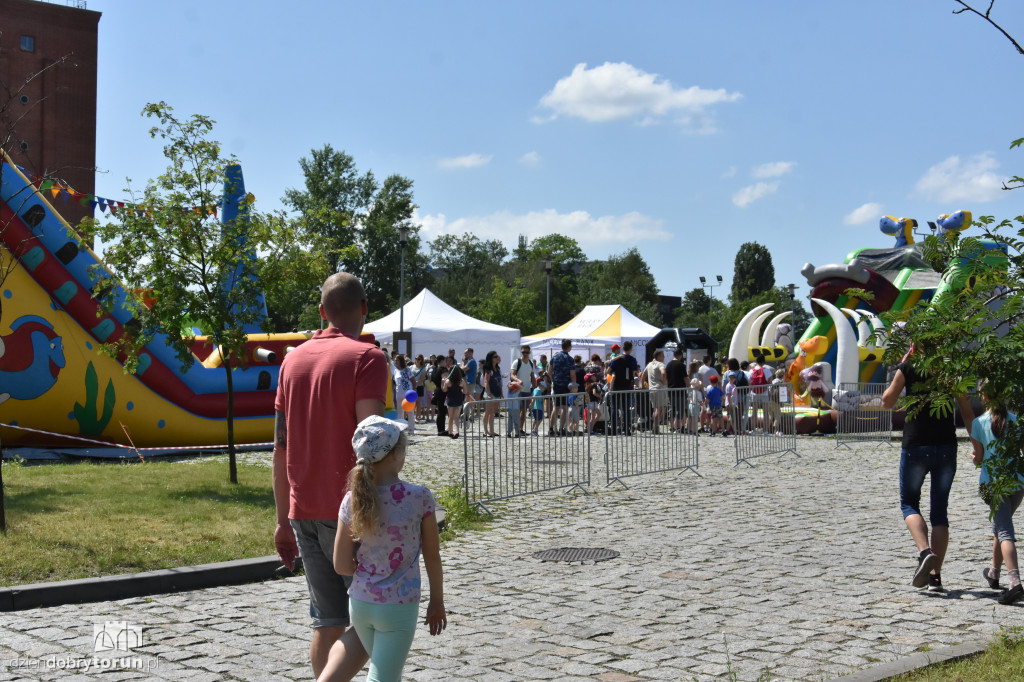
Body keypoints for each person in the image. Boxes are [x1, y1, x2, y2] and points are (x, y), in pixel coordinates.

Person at [273, 272, 386, 679]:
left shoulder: (291, 361)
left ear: (321, 312)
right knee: (374, 617)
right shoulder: (368, 358)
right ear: (364, 309)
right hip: (352, 510)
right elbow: (371, 442)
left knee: (327, 619)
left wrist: (282, 519)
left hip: (302, 509)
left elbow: (280, 447)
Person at [320, 415, 446, 682]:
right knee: (384, 677)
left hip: (361, 603)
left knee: (384, 670)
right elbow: (432, 557)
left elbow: (341, 564)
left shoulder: (351, 499)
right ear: (396, 455)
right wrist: (437, 601)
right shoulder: (419, 497)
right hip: (398, 607)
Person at [882, 344, 973, 593]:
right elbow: (966, 413)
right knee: (940, 513)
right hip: (946, 447)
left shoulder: (908, 368)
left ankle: (924, 553)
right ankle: (935, 579)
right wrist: (977, 446)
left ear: (915, 346)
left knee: (909, 503)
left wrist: (902, 365)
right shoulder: (950, 372)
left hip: (915, 446)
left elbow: (886, 402)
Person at [970, 382, 1023, 605]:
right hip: (1017, 482)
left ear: (984, 396)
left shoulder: (978, 423)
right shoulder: (1017, 421)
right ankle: (994, 573)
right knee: (1000, 524)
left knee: (1004, 531)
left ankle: (1015, 583)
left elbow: (979, 458)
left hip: (993, 484)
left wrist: (975, 459)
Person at [607, 341, 639, 435]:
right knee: (626, 407)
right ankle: (627, 430)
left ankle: (613, 429)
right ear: (630, 349)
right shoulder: (632, 359)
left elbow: (608, 371)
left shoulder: (616, 359)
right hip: (627, 384)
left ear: (623, 348)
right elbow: (634, 373)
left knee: (614, 407)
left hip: (616, 385)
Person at [548, 339, 576, 436]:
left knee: (556, 407)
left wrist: (553, 381)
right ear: (569, 347)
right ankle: (561, 429)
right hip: (566, 385)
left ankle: (551, 428)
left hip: (556, 385)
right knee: (564, 408)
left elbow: (549, 371)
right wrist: (574, 385)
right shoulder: (570, 359)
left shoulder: (554, 357)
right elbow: (572, 375)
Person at [509, 345, 537, 437]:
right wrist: (518, 380)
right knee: (517, 410)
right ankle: (516, 429)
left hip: (527, 390)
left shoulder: (531, 363)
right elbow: (512, 375)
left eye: (527, 352)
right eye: (523, 352)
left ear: (529, 353)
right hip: (517, 390)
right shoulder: (517, 362)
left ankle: (520, 429)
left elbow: (532, 377)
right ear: (521, 352)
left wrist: (535, 388)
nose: (525, 354)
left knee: (524, 411)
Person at [442, 355, 468, 439]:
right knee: (457, 418)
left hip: (450, 400)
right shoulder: (462, 381)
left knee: (450, 417)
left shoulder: (448, 381)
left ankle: (450, 432)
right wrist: (460, 391)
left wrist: (443, 383)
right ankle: (457, 431)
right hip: (458, 400)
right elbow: (465, 391)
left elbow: (444, 390)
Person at [644, 349, 668, 435]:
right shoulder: (661, 364)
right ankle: (655, 427)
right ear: (658, 356)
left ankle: (654, 424)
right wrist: (664, 382)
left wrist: (643, 385)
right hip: (659, 388)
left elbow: (643, 375)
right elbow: (663, 373)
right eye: (662, 355)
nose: (664, 357)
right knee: (659, 408)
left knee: (656, 408)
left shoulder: (649, 364)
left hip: (652, 389)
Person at [665, 348, 688, 432]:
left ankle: (672, 427)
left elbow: (666, 378)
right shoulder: (681, 365)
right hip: (680, 390)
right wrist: (689, 387)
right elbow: (685, 378)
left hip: (670, 389)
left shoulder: (668, 365)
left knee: (672, 409)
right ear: (680, 355)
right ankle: (678, 427)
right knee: (680, 409)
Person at [481, 350, 502, 437]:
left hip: (497, 392)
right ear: (491, 358)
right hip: (490, 393)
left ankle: (492, 431)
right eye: (495, 357)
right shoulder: (488, 369)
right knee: (488, 411)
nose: (497, 358)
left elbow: (499, 381)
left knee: (493, 412)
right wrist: (489, 394)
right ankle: (486, 431)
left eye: (497, 356)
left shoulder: (498, 368)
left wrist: (501, 392)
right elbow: (486, 381)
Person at [393, 355, 415, 435]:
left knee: (410, 411)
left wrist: (414, 391)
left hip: (408, 393)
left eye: (397, 360)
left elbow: (413, 380)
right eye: (395, 360)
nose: (396, 362)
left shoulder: (407, 369)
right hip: (399, 393)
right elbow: (395, 384)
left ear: (401, 361)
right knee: (400, 412)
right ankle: (400, 430)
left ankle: (411, 429)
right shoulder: (395, 371)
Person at [430, 356, 449, 436]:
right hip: (443, 391)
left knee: (440, 411)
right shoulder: (443, 370)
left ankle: (440, 429)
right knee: (442, 411)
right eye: (445, 361)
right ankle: (441, 430)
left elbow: (431, 379)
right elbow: (445, 380)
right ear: (442, 361)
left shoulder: (434, 369)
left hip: (437, 390)